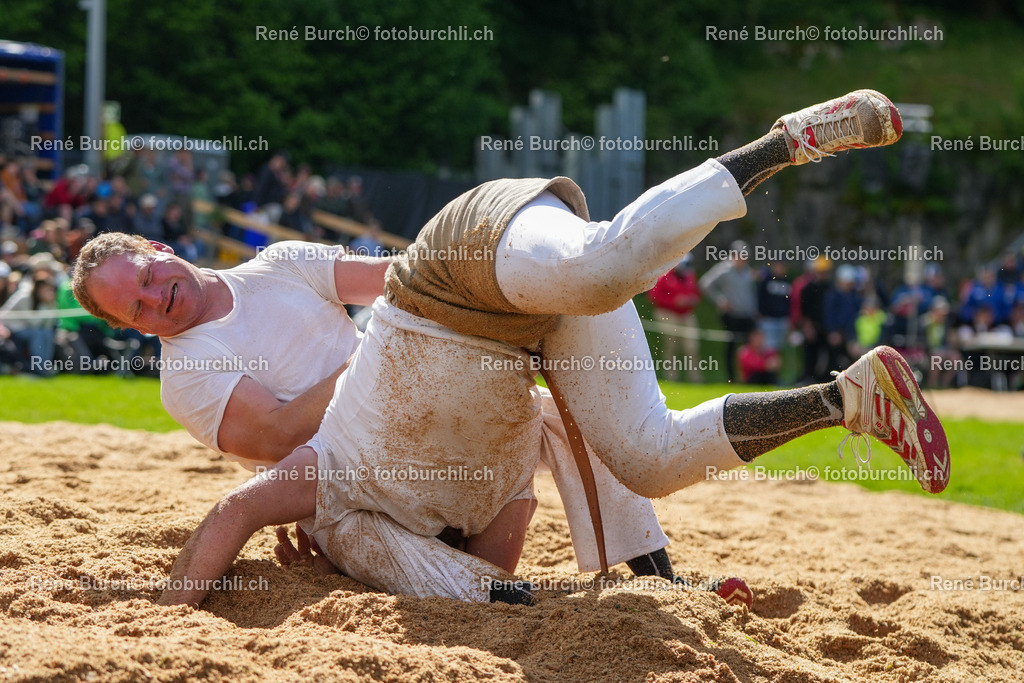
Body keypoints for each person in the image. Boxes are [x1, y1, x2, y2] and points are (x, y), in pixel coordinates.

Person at [76, 90, 949, 607]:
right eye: (140, 310)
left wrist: (174, 604)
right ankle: (844, 399)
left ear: (158, 251)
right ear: (133, 330)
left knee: (601, 267)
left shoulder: (285, 291)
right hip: (468, 348)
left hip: (450, 268)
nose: (158, 297)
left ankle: (778, 145)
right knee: (644, 448)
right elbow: (491, 578)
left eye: (148, 278)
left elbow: (382, 292)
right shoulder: (189, 378)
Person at [700, 239, 756, 382]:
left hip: (747, 315)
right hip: (731, 315)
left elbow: (750, 293)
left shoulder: (747, 271)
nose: (742, 259)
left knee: (749, 348)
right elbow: (705, 283)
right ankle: (731, 379)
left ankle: (748, 378)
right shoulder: (723, 269)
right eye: (739, 256)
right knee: (731, 347)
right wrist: (720, 300)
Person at [647, 254, 702, 382]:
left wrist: (691, 300)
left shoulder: (690, 276)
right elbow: (653, 297)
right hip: (667, 314)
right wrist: (673, 301)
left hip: (686, 314)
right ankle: (671, 378)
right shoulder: (664, 277)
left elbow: (696, 293)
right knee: (671, 346)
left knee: (692, 347)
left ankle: (695, 379)